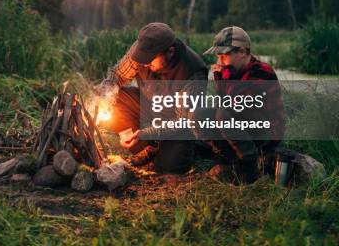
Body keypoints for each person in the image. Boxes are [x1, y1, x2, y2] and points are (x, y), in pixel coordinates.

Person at [96, 22, 208, 173]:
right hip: (150, 105)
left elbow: (182, 122)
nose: (145, 63)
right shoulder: (142, 51)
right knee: (118, 98)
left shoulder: (192, 72)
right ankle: (146, 146)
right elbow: (117, 75)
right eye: (143, 58)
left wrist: (148, 132)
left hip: (176, 122)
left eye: (151, 59)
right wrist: (105, 95)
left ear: (170, 51)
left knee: (170, 167)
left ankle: (198, 147)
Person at [200, 26, 285, 183]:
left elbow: (236, 104)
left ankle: (250, 165)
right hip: (243, 126)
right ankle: (227, 160)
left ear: (243, 52)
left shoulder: (262, 71)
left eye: (224, 56)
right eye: (218, 57)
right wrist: (221, 77)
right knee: (200, 114)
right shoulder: (233, 71)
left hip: (267, 132)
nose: (220, 62)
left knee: (223, 113)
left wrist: (223, 75)